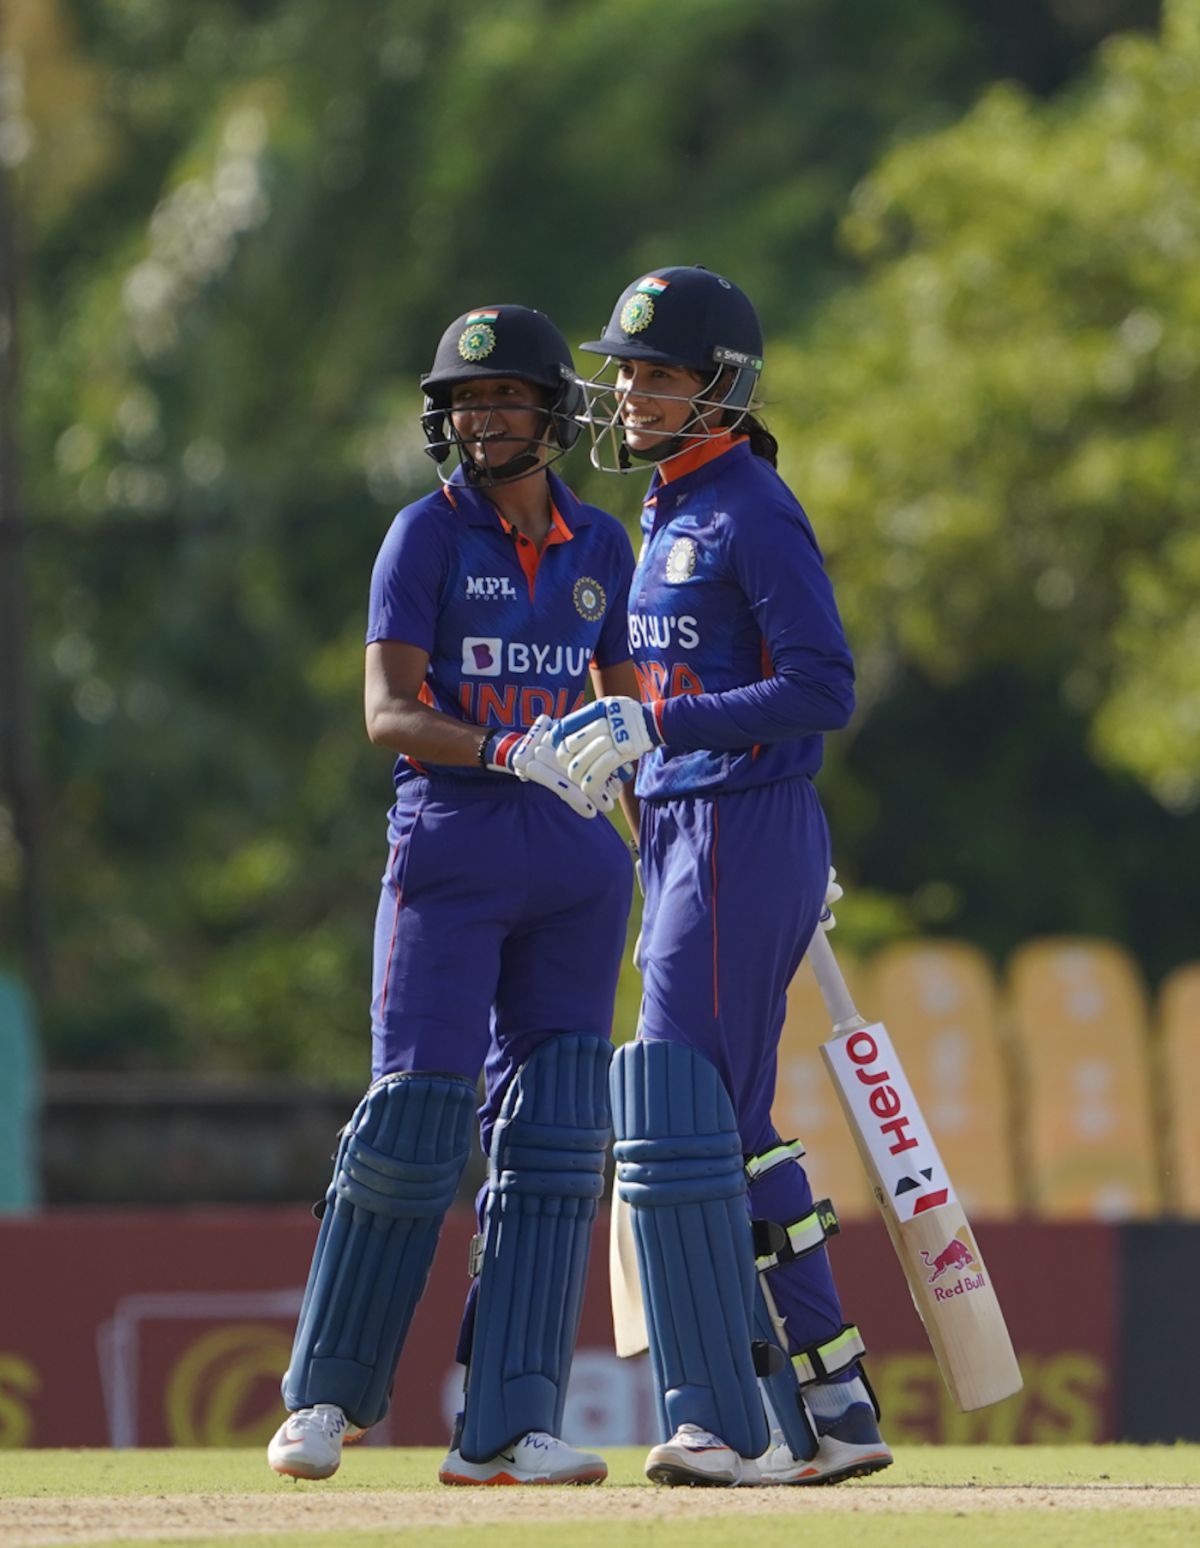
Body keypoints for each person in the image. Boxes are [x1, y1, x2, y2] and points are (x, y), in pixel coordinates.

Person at [267, 303, 640, 1487]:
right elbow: (389, 711)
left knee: (556, 1133)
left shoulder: (602, 548)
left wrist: (683, 830)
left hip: (578, 864)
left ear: (553, 412)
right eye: (464, 402)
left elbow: (629, 719)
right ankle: (326, 1400)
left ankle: (510, 1423)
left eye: (503, 399)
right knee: (416, 1119)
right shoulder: (422, 536)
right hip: (454, 847)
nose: (479, 419)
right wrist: (503, 749)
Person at [553, 265, 893, 1487]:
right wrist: (617, 762)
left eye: (658, 373)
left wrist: (667, 731)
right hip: (691, 834)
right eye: (628, 370)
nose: (631, 392)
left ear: (721, 388)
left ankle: (727, 1421)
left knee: (680, 1115)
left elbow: (822, 687)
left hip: (745, 827)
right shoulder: (663, 512)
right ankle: (832, 1396)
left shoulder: (752, 504)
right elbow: (675, 696)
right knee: (726, 1123)